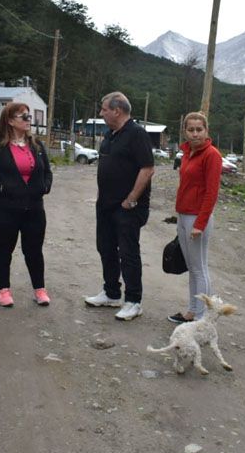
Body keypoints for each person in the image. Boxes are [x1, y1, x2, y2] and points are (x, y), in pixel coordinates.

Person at [84, 91, 155, 321]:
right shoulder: (110, 134)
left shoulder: (137, 134)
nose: (101, 113)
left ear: (117, 110)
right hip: (105, 205)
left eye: (104, 109)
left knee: (128, 253)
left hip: (128, 207)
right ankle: (111, 293)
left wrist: (132, 198)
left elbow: (147, 168)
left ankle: (133, 301)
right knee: (105, 247)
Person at [0, 102, 53, 308]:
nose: (29, 120)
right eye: (24, 117)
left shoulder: (36, 145)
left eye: (29, 117)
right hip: (5, 208)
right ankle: (3, 290)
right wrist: (0, 187)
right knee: (4, 248)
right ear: (10, 120)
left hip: (34, 208)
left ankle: (39, 289)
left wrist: (45, 186)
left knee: (34, 249)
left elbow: (47, 171)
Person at [168, 112, 222, 323]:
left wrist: (200, 223)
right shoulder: (187, 153)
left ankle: (202, 316)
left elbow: (211, 193)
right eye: (191, 129)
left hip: (198, 217)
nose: (195, 133)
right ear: (185, 131)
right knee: (192, 267)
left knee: (199, 267)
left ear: (206, 131)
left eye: (199, 129)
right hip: (184, 214)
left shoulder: (212, 155)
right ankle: (192, 310)